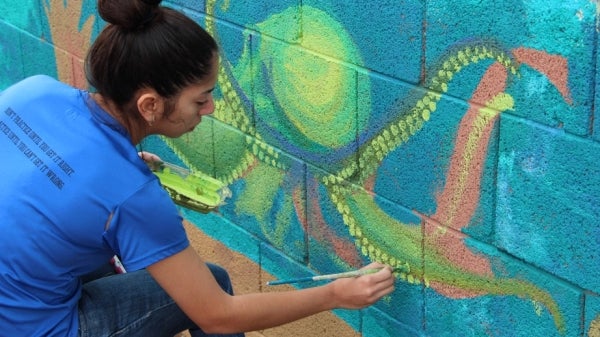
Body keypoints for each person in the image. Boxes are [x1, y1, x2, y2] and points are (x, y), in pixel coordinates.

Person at [0, 0, 396, 336]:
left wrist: (110, 175)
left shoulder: (33, 90)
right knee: (214, 283)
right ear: (150, 105)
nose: (209, 109)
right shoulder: (134, 198)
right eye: (201, 99)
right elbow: (217, 314)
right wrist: (336, 295)